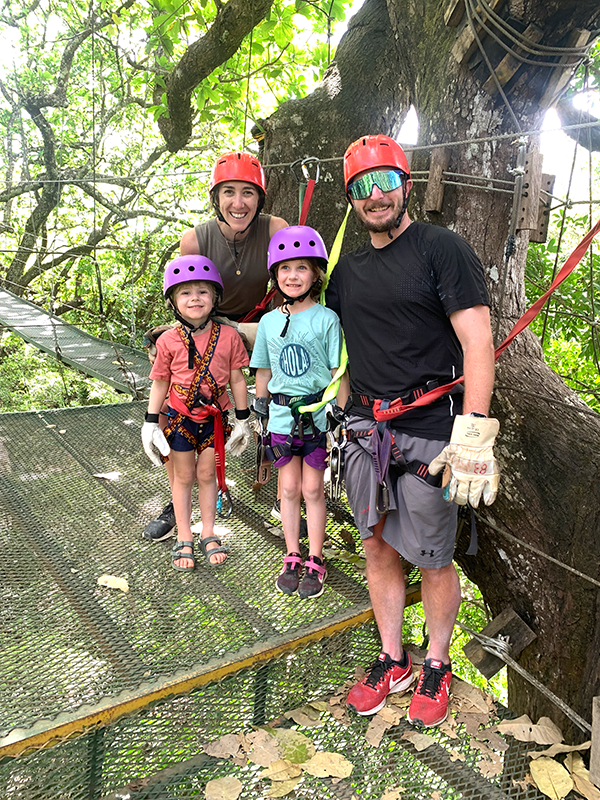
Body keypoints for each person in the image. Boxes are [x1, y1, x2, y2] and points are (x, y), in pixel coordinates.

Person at [325, 134, 499, 726]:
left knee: (431, 556)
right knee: (376, 546)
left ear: (406, 183)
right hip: (367, 432)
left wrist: (473, 429)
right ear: (351, 198)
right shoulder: (346, 271)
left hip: (430, 429)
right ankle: (392, 657)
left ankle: (436, 663)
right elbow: (342, 348)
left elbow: (478, 339)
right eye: (361, 187)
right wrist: (337, 418)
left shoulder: (439, 248)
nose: (375, 196)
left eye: (385, 182)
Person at [143, 151, 288, 542]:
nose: (238, 203)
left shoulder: (275, 228)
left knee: (280, 396)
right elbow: (187, 296)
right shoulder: (196, 238)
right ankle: (177, 501)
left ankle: (286, 493)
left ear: (259, 198)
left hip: (260, 329)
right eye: (229, 192)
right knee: (180, 391)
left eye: (247, 193)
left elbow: (289, 290)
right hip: (213, 329)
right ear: (216, 197)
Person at [250, 226, 344, 599]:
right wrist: (259, 408)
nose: (293, 276)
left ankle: (316, 556)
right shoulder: (270, 321)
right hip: (281, 416)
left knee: (312, 488)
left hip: (317, 416)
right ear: (275, 274)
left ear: (316, 274)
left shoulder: (327, 319)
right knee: (287, 488)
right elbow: (264, 368)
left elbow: (339, 369)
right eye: (285, 268)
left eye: (301, 268)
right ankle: (292, 553)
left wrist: (338, 411)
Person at [142, 255, 250, 571]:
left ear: (215, 297)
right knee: (183, 476)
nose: (195, 298)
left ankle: (208, 531)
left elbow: (237, 378)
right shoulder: (168, 341)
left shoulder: (228, 337)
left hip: (214, 420)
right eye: (186, 292)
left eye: (202, 291)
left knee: (207, 475)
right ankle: (184, 535)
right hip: (181, 419)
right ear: (173, 300)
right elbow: (160, 383)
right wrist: (150, 423)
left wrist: (244, 419)